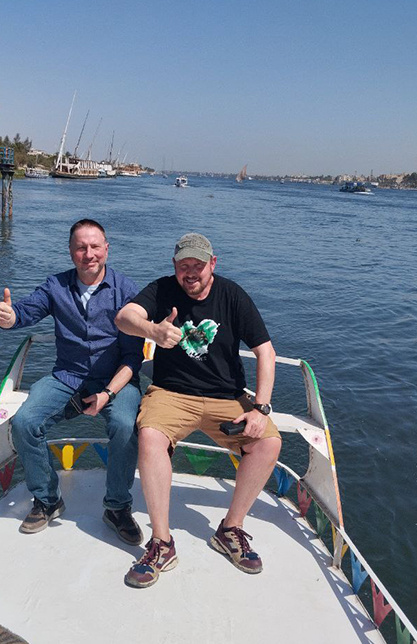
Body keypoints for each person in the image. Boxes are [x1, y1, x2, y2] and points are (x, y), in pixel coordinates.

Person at [114, 232, 282, 588]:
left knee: (268, 443)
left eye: (198, 265)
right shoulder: (162, 290)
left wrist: (261, 408)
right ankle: (162, 543)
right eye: (184, 265)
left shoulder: (233, 295)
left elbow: (265, 352)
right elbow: (124, 317)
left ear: (212, 264)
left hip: (226, 397)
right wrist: (152, 331)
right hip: (171, 393)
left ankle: (230, 529)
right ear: (174, 266)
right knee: (150, 437)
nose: (191, 272)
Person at [0, 219, 144, 545]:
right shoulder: (56, 286)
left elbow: (134, 357)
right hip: (67, 376)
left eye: (95, 246)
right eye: (81, 247)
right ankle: (48, 499)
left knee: (125, 425)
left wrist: (107, 393)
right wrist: (11, 318)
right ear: (71, 251)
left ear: (107, 249)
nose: (89, 254)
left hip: (116, 380)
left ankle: (117, 507)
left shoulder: (127, 291)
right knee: (25, 422)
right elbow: (26, 311)